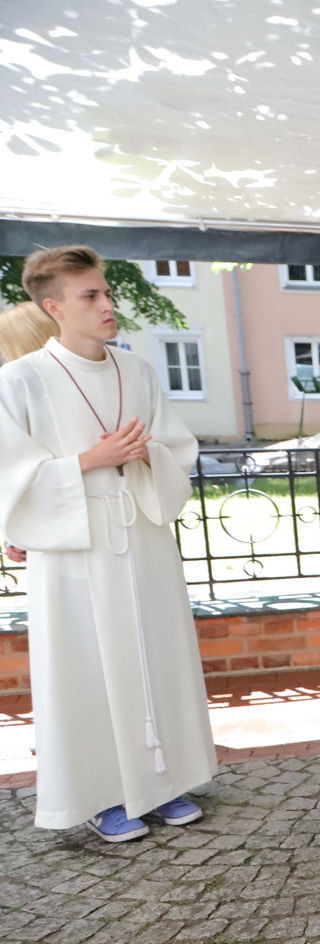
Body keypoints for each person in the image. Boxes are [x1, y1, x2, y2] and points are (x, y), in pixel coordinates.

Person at [0, 245, 213, 842]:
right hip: (75, 550)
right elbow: (10, 476)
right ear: (53, 307)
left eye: (107, 292)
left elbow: (176, 447)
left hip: (141, 535)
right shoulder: (19, 380)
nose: (106, 304)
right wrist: (90, 460)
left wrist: (148, 456)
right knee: (87, 669)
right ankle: (101, 795)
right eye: (90, 295)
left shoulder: (137, 370)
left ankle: (163, 780)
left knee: (154, 655)